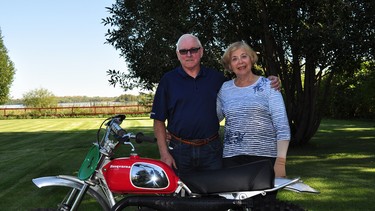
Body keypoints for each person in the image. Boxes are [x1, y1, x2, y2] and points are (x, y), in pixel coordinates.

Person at [150, 34, 280, 175]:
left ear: (201, 52)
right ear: (178, 54)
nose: (189, 54)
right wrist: (164, 154)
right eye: (183, 51)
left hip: (211, 151)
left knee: (216, 194)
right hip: (179, 151)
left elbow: (243, 85)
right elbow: (158, 120)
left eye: (193, 50)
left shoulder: (217, 79)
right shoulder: (168, 81)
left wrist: (267, 83)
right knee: (180, 194)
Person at [217, 41, 290, 178]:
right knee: (234, 200)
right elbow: (212, 119)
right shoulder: (225, 89)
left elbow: (282, 125)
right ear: (229, 65)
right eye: (234, 59)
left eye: (244, 56)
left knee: (263, 200)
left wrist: (280, 162)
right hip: (232, 159)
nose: (240, 62)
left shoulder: (269, 86)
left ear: (251, 59)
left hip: (264, 159)